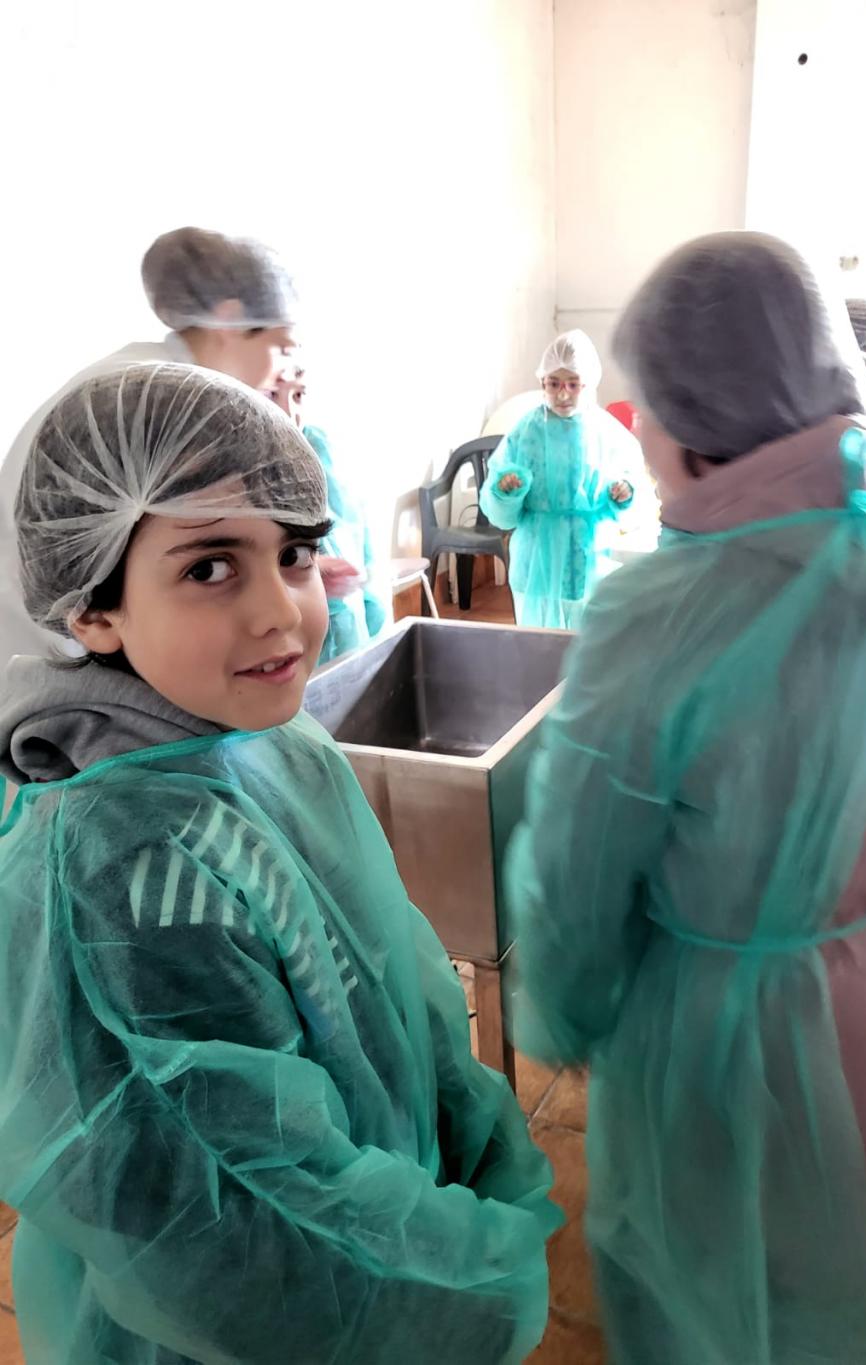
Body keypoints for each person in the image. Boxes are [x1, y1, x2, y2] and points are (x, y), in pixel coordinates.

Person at [507, 232, 866, 1363]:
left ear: (684, 428)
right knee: (842, 1254)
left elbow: (580, 863)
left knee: (726, 1299)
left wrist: (563, 1009)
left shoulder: (657, 613)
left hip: (733, 1032)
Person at [0, 364, 559, 1365]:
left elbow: (391, 975)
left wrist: (467, 1143)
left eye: (294, 553)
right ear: (91, 609)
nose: (280, 612)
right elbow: (241, 1228)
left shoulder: (264, 740)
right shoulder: (121, 866)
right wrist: (465, 1280)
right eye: (211, 566)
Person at [0, 226, 301, 666]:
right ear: (230, 318)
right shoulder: (159, 402)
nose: (285, 371)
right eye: (282, 348)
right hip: (65, 647)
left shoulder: (146, 375)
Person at [478, 330, 643, 629]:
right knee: (537, 640)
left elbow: (633, 484)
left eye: (572, 384)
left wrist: (625, 493)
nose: (563, 394)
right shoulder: (526, 431)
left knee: (589, 638)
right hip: (536, 559)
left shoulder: (606, 432)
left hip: (590, 555)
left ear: (588, 383)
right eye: (554, 384)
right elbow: (500, 510)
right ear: (542, 382)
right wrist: (506, 491)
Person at [271, 368, 390, 665]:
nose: (288, 413)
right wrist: (303, 569)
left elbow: (356, 529)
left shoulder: (318, 447)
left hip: (351, 633)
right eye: (271, 395)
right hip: (288, 651)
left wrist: (370, 597)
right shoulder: (230, 475)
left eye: (298, 395)